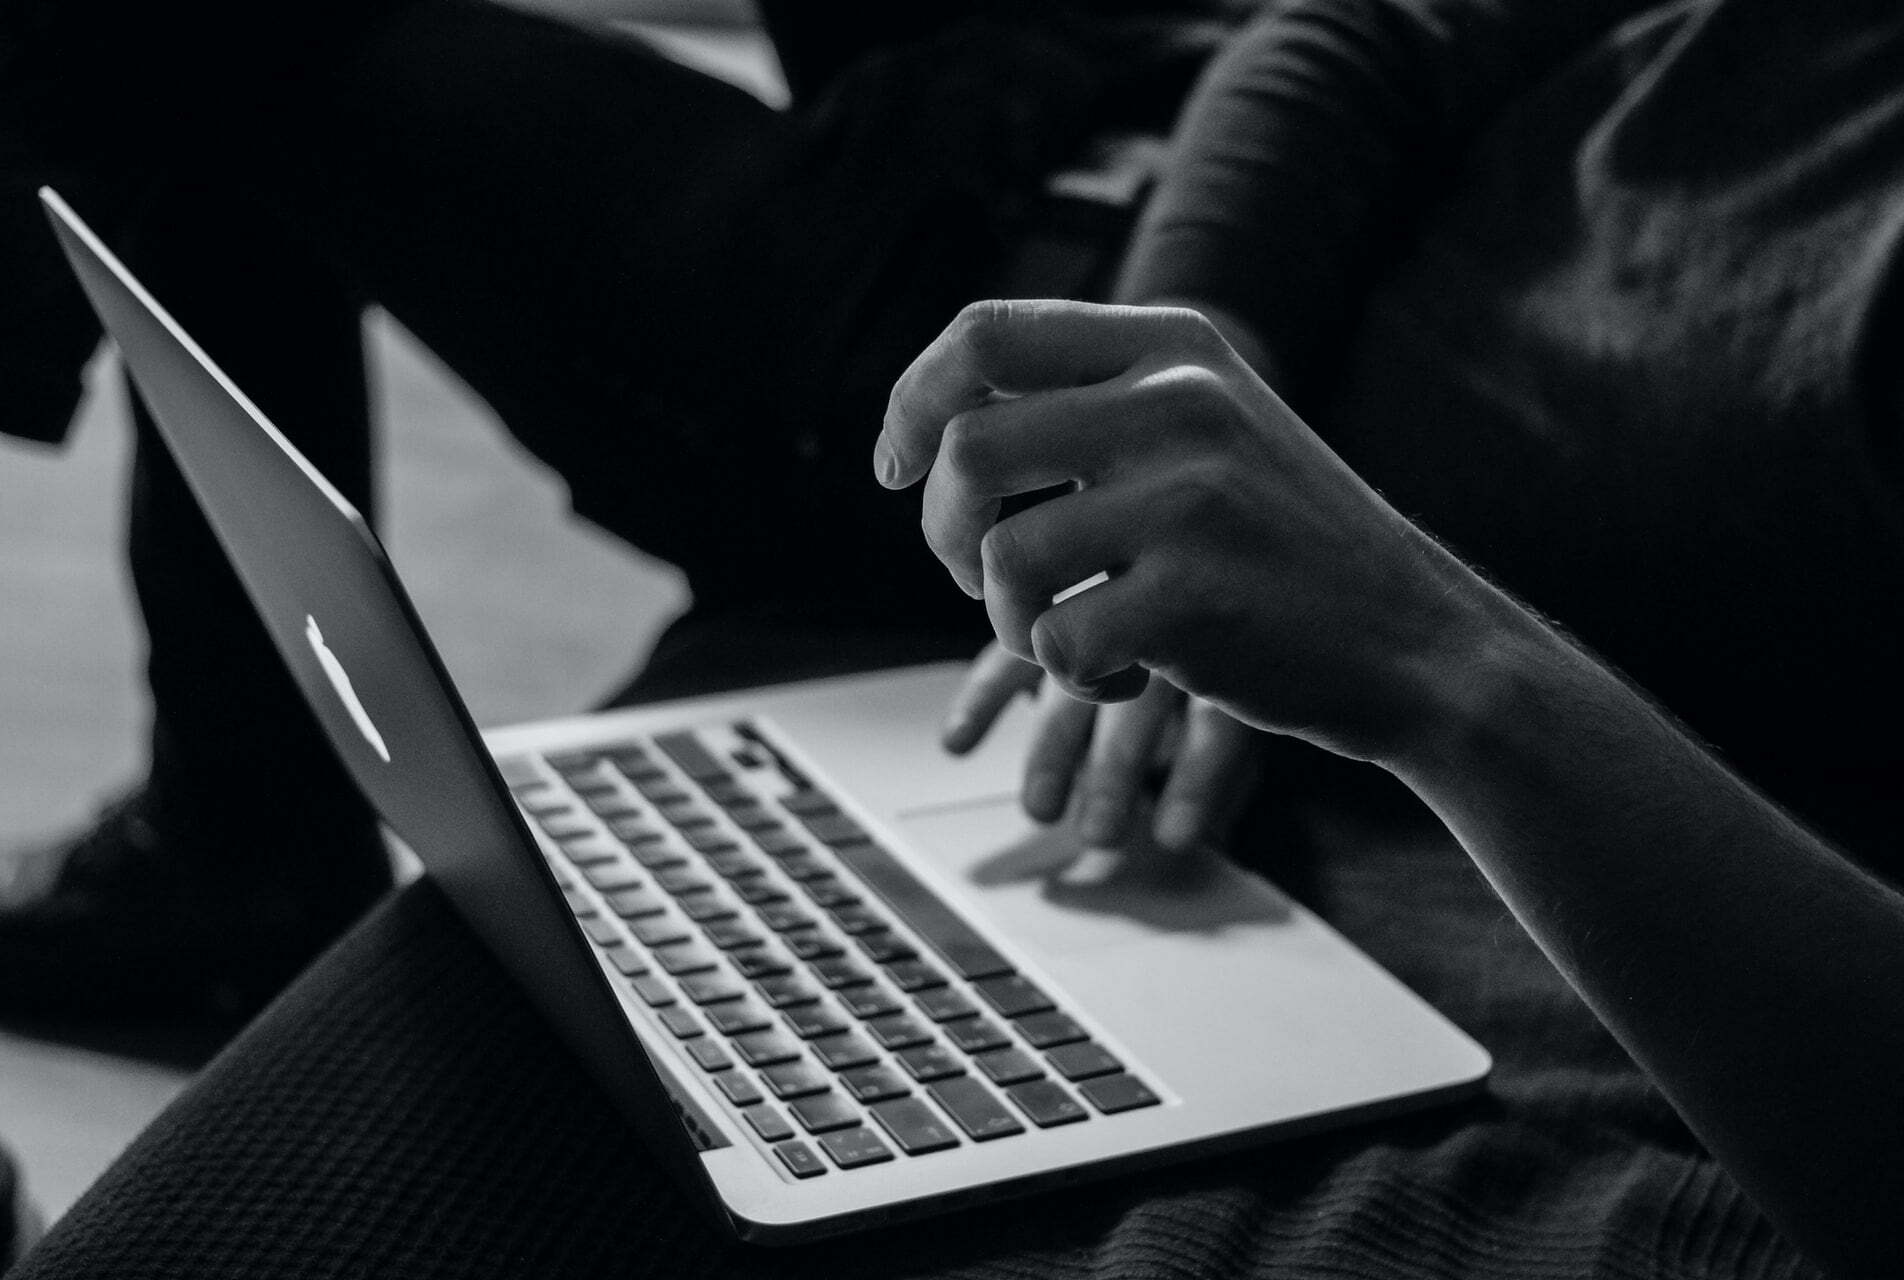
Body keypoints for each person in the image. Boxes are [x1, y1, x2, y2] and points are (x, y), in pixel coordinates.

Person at [0, 0, 1904, 1275]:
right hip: (1072, 181)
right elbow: (1355, 34)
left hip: (929, 392)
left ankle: (232, 850)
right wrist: (1200, 369)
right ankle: (237, 839)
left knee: (161, 22)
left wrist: (1441, 656)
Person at [0, 0, 1232, 1020]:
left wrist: (1189, 430)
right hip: (1018, 123)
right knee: (202, 63)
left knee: (214, 45)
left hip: (995, 278)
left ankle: (244, 851)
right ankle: (243, 847)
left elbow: (1345, 55)